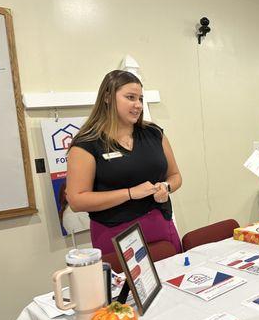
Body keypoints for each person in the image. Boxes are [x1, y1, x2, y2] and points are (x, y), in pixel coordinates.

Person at [66, 69, 183, 261]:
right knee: (126, 291)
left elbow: (175, 176)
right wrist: (130, 193)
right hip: (115, 233)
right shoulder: (87, 144)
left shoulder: (154, 133)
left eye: (140, 99)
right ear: (108, 97)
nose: (138, 105)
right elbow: (77, 200)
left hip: (160, 225)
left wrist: (166, 187)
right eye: (130, 97)